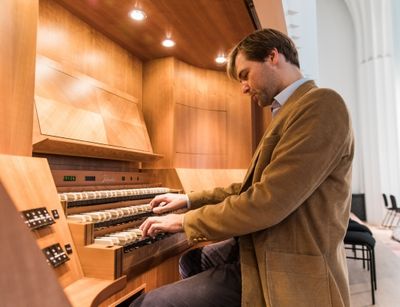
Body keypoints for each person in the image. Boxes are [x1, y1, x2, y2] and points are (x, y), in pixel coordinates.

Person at [131, 28, 354, 307]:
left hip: (284, 261)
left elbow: (267, 201)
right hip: (258, 244)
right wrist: (188, 200)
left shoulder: (321, 104)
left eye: (245, 74)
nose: (243, 87)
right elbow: (249, 188)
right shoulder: (288, 110)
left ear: (273, 57)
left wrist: (186, 221)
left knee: (150, 303)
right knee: (192, 259)